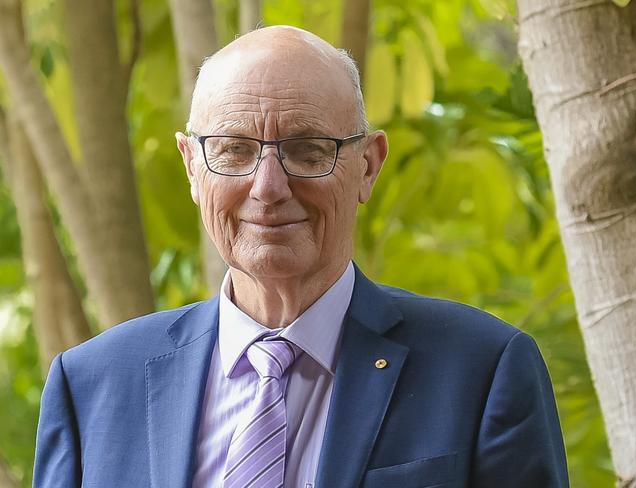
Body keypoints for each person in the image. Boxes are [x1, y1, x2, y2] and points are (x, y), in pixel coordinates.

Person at [33, 25, 569, 488]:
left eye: (308, 150)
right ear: (192, 166)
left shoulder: (480, 370)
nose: (268, 187)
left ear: (367, 166)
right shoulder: (93, 386)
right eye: (234, 150)